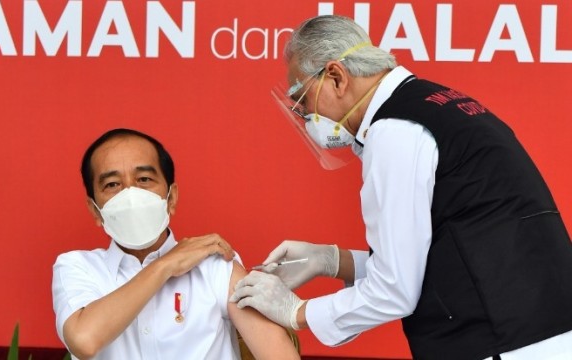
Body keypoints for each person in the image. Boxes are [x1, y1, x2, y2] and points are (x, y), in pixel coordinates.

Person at [229, 15, 572, 360]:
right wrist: (333, 261)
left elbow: (395, 288)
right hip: (540, 330)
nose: (304, 115)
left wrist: (296, 312)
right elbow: (435, 257)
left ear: (336, 76)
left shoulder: (396, 130)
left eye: (302, 98)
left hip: (501, 340)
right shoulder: (439, 104)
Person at [52, 128, 300, 360]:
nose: (130, 194)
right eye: (112, 184)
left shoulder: (215, 267)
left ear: (171, 197)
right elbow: (84, 340)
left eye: (144, 179)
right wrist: (165, 266)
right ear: (95, 210)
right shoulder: (77, 267)